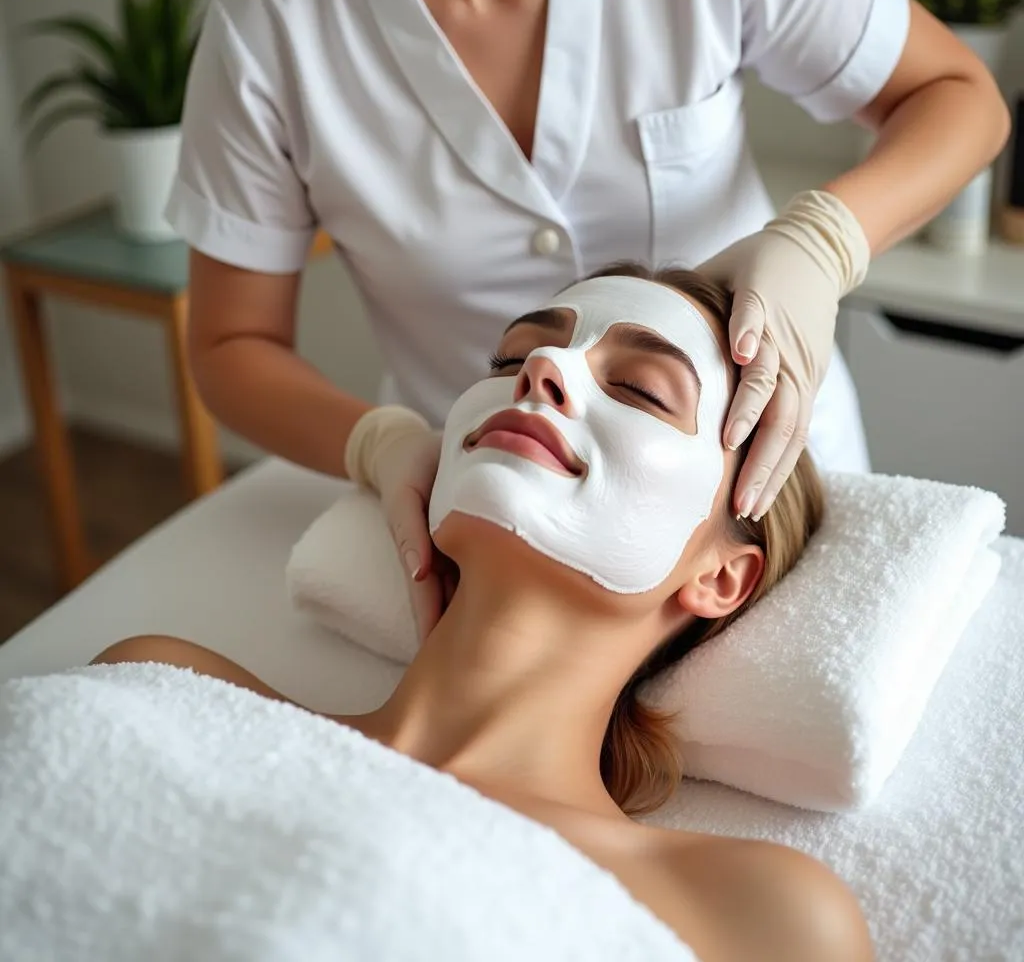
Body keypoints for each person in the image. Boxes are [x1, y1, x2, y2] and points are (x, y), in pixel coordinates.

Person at [168, 0, 1010, 637]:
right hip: (488, 492)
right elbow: (230, 344)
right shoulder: (268, 36)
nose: (550, 369)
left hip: (760, 480)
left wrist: (823, 240)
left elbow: (959, 96)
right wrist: (379, 443)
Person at [93, 267, 863, 961]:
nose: (542, 369)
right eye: (508, 360)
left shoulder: (760, 915)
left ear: (723, 577)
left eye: (642, 390)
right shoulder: (161, 693)